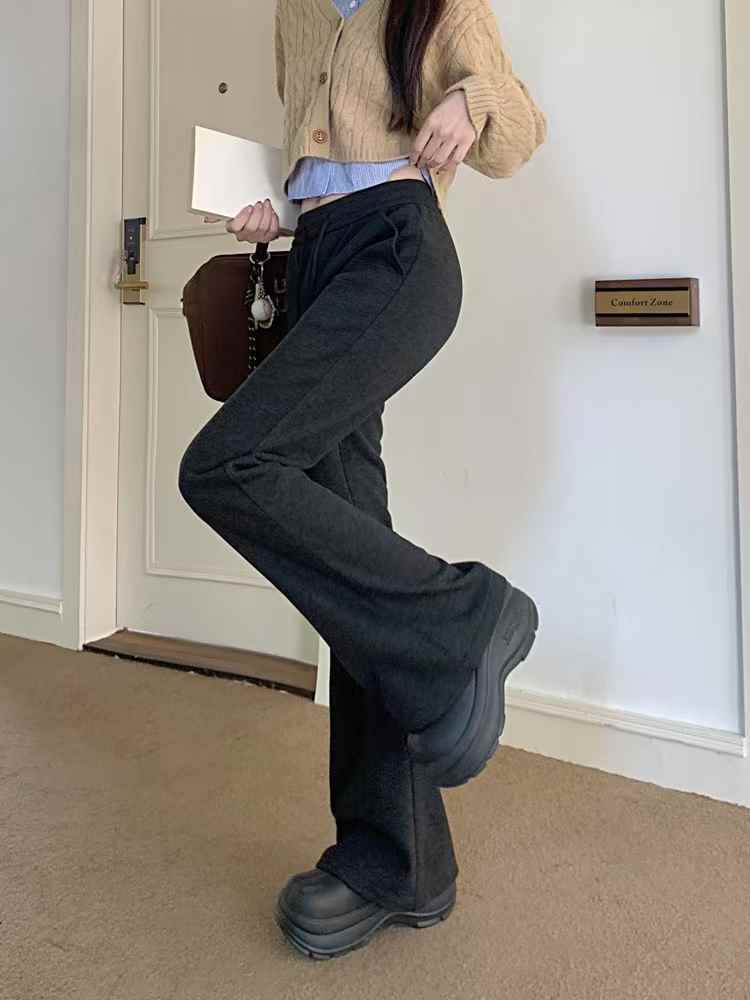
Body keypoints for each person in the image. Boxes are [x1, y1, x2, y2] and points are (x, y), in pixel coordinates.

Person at [180, 0, 546, 960]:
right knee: (352, 552)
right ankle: (399, 861)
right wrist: (277, 202)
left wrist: (470, 101)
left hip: (397, 244)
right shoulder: (294, 9)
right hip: (318, 257)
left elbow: (520, 132)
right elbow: (315, 149)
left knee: (226, 465)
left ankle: (466, 618)